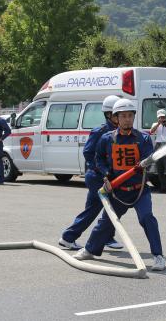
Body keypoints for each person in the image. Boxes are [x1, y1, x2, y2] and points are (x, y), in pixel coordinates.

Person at [74, 99, 165, 271]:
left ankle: (158, 256)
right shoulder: (107, 139)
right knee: (106, 222)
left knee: (147, 218)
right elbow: (98, 158)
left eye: (130, 116)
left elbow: (148, 158)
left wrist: (142, 165)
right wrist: (106, 175)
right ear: (116, 118)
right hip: (118, 191)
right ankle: (90, 250)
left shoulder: (143, 138)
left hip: (139, 191)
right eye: (123, 116)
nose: (127, 119)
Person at [59, 96, 124, 250]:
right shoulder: (100, 131)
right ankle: (69, 236)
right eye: (118, 114)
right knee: (98, 208)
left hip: (108, 177)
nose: (122, 117)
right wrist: (103, 172)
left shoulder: (118, 131)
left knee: (107, 207)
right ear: (109, 115)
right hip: (97, 177)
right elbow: (88, 153)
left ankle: (107, 237)